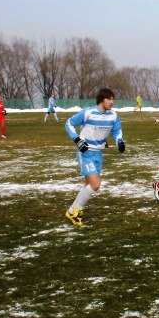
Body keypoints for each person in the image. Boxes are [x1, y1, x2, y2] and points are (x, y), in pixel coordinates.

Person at [64, 88, 126, 227]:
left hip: (98, 153)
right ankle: (73, 211)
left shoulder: (113, 116)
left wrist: (119, 141)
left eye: (112, 99)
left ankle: (74, 210)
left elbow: (117, 131)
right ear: (102, 99)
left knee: (89, 185)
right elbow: (69, 123)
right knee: (95, 185)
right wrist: (77, 140)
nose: (112, 102)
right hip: (86, 153)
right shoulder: (88, 113)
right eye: (109, 99)